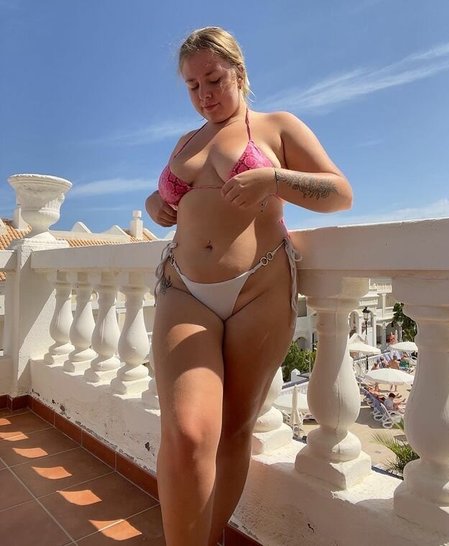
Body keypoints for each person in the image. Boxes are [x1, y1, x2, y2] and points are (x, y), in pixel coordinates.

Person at [145, 26, 352, 546]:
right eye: (193, 86)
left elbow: (339, 193)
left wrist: (274, 179)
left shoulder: (277, 126)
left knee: (234, 430)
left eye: (214, 79)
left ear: (238, 72)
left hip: (259, 292)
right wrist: (154, 204)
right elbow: (164, 202)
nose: (205, 94)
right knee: (188, 433)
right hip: (183, 289)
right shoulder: (185, 142)